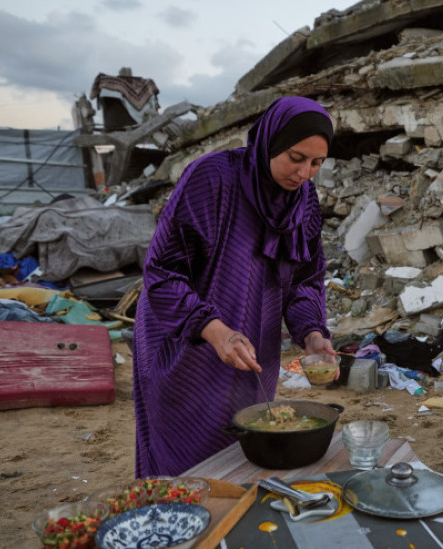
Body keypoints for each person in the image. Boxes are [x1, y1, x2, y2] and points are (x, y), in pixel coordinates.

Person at [132, 96, 338, 476]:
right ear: (271, 141)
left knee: (245, 443)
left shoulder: (303, 200)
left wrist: (311, 332)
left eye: (316, 162)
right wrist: (214, 331)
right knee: (184, 457)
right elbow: (162, 271)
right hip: (186, 341)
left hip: (253, 344)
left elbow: (305, 278)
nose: (305, 172)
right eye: (296, 157)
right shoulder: (212, 180)